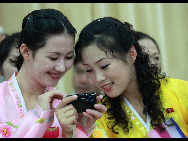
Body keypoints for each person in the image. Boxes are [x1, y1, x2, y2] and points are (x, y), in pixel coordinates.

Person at [0, 9, 106, 138]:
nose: (62, 68)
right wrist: (40, 117)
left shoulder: (63, 105)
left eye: (68, 57)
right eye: (53, 58)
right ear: (26, 51)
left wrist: (78, 130)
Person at [75, 17, 188, 138]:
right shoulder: (99, 117)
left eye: (104, 66)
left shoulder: (180, 91)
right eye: (89, 70)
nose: (98, 78)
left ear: (131, 55)